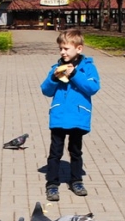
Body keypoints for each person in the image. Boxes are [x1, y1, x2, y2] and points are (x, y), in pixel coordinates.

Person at [41, 28, 100, 201]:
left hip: (78, 117)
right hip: (59, 116)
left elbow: (92, 88)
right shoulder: (56, 68)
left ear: (79, 49)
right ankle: (52, 184)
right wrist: (54, 78)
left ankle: (76, 181)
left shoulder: (88, 68)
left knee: (75, 151)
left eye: (66, 49)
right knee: (55, 152)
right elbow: (45, 90)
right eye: (61, 48)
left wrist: (73, 74)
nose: (62, 52)